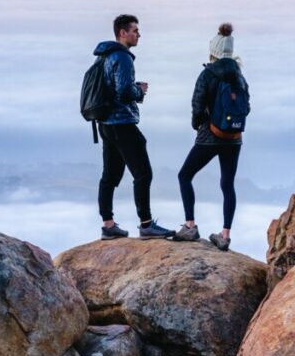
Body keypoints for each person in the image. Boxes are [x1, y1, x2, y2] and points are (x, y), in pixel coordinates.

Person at [95, 14, 175, 240]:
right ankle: (146, 224)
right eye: (135, 30)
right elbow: (123, 91)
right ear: (122, 33)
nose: (139, 34)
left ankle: (108, 225)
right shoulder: (122, 57)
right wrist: (139, 90)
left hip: (106, 123)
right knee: (143, 173)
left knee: (109, 175)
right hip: (122, 122)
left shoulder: (104, 56)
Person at [175, 22, 250, 250]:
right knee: (227, 184)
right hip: (234, 137)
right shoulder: (239, 75)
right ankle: (225, 236)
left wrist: (198, 125)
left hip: (210, 135)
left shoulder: (207, 74)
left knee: (185, 175)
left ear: (214, 50)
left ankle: (190, 226)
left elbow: (197, 105)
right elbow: (247, 107)